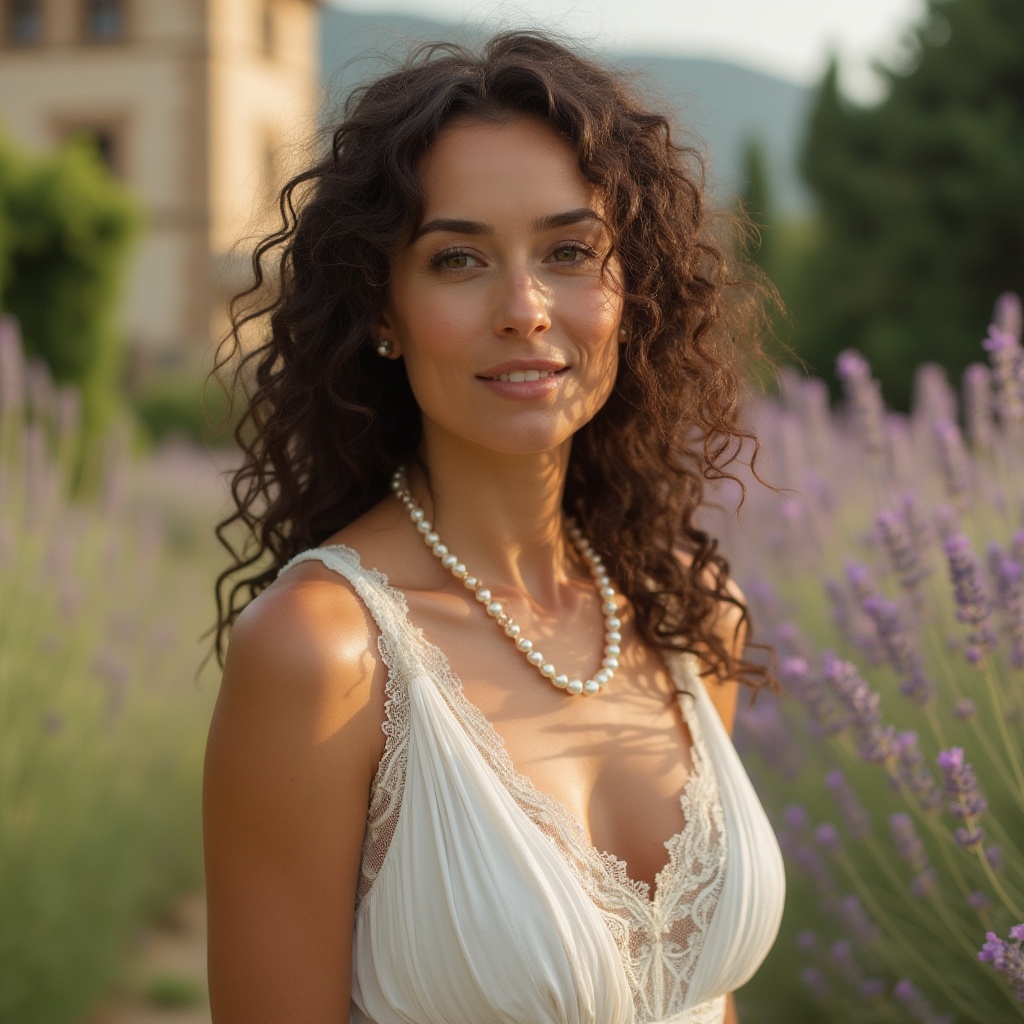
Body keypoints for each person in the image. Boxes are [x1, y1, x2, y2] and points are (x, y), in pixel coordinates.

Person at [202, 30, 785, 1024]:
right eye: (458, 259)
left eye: (568, 252)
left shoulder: (691, 619)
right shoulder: (324, 655)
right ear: (381, 309)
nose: (523, 308)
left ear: (625, 295)